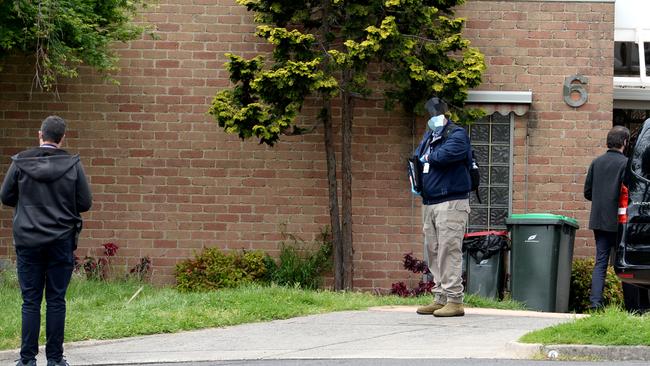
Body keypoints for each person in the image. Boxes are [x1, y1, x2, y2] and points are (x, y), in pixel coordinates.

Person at [1, 116, 92, 366]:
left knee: (30, 301)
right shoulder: (72, 165)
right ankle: (55, 359)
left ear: (40, 134)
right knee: (55, 300)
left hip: (28, 241)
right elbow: (84, 203)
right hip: (60, 241)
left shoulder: (20, 162)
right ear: (63, 137)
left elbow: (6, 196)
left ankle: (27, 360)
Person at [414, 97, 472, 317]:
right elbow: (418, 157)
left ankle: (455, 300)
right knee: (434, 251)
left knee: (449, 249)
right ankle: (440, 297)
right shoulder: (429, 136)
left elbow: (445, 156)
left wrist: (428, 156)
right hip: (430, 201)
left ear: (445, 115)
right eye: (431, 116)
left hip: (451, 201)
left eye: (436, 115)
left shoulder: (456, 134)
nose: (433, 119)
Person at [583, 125, 630, 311]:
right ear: (625, 142)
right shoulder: (626, 164)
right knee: (624, 265)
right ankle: (629, 305)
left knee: (600, 263)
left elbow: (587, 192)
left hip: (599, 220)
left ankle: (595, 304)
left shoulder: (596, 162)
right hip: (619, 222)